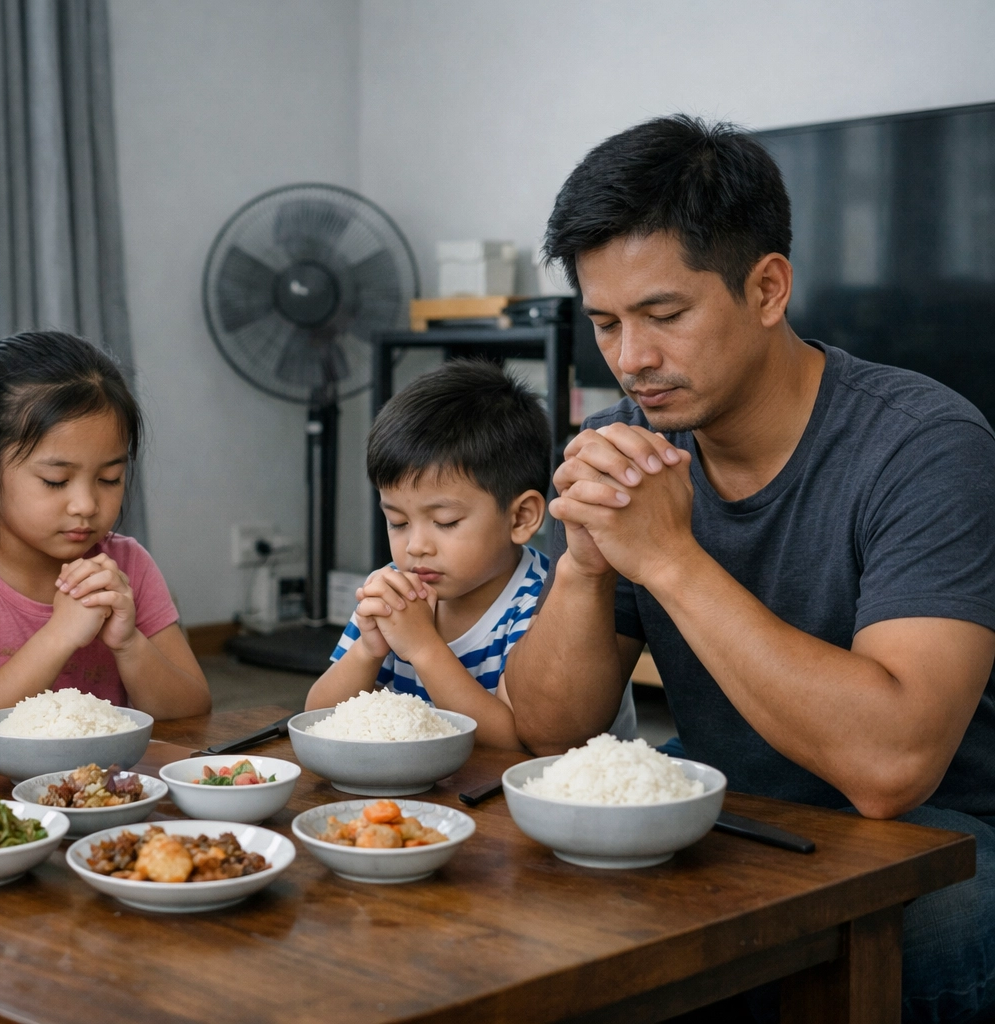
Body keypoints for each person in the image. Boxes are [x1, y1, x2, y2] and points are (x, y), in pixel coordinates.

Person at [505, 114, 995, 1023]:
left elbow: (892, 768)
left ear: (768, 288)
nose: (632, 359)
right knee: (533, 888)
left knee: (865, 938)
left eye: (664, 315)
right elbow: (547, 729)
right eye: (606, 323)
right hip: (738, 796)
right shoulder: (626, 444)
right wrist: (583, 567)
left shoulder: (926, 444)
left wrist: (669, 559)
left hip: (943, 833)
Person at [305, 360, 635, 748]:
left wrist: (424, 648)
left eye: (445, 522)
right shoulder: (395, 589)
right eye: (397, 522)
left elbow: (514, 743)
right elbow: (316, 719)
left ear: (521, 517)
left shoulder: (542, 602)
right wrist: (367, 650)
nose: (415, 546)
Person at [0, 332, 211, 750]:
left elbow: (193, 709)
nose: (86, 504)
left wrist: (128, 643)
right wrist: (58, 636)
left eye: (110, 478)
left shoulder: (127, 564)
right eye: (56, 481)